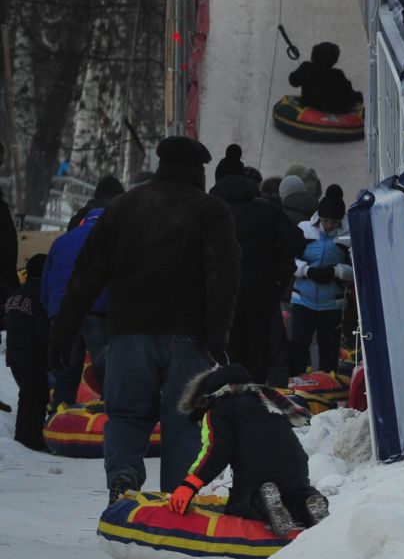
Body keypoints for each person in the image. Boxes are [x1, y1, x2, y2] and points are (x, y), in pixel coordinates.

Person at [48, 135, 239, 501]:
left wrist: (63, 333)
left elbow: (86, 275)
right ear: (198, 170)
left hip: (127, 333)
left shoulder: (123, 207)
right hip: (188, 337)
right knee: (184, 422)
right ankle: (176, 504)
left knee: (126, 416)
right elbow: (224, 277)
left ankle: (122, 481)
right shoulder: (211, 211)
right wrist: (219, 334)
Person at [170, 362, 328, 537]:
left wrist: (189, 485)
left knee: (239, 503)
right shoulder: (268, 400)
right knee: (294, 494)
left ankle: (260, 502)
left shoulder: (218, 410)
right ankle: (308, 501)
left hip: (257, 473)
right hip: (296, 467)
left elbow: (216, 452)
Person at [211, 148, 304, 396]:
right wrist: (279, 276)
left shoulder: (207, 211)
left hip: (221, 300)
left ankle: (227, 409)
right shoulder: (267, 210)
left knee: (227, 359)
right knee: (259, 358)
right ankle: (257, 409)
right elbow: (296, 242)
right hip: (261, 298)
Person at [43, 176, 123, 406]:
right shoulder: (116, 234)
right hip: (99, 310)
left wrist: (52, 311)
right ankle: (109, 420)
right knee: (107, 371)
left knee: (66, 374)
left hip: (62, 312)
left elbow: (46, 285)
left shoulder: (62, 240)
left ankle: (59, 419)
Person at [289, 187, 352, 376]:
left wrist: (335, 271)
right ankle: (295, 380)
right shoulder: (304, 229)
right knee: (299, 345)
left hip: (331, 304)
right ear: (319, 218)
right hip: (302, 299)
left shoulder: (348, 236)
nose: (329, 226)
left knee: (329, 350)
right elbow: (289, 260)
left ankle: (328, 386)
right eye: (326, 221)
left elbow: (357, 270)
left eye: (334, 222)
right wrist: (307, 270)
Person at [6, 254, 51, 451]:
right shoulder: (40, 295)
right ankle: (33, 440)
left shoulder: (16, 294)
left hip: (15, 355)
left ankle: (21, 436)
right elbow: (41, 328)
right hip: (33, 354)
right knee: (38, 398)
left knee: (26, 396)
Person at [288, 41, 360, 115]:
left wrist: (297, 73)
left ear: (314, 56)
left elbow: (293, 81)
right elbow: (348, 92)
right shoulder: (337, 74)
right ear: (334, 60)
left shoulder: (306, 67)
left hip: (309, 105)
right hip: (331, 109)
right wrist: (357, 96)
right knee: (354, 97)